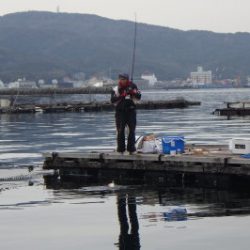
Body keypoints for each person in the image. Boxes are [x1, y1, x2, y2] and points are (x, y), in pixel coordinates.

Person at [111, 73, 141, 154]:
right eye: (120, 79)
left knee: (132, 130)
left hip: (131, 111)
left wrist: (132, 92)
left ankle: (131, 149)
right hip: (120, 113)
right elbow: (113, 100)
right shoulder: (116, 89)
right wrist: (122, 95)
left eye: (123, 79)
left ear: (127, 79)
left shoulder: (133, 86)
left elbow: (139, 96)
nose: (121, 80)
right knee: (120, 131)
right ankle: (121, 149)